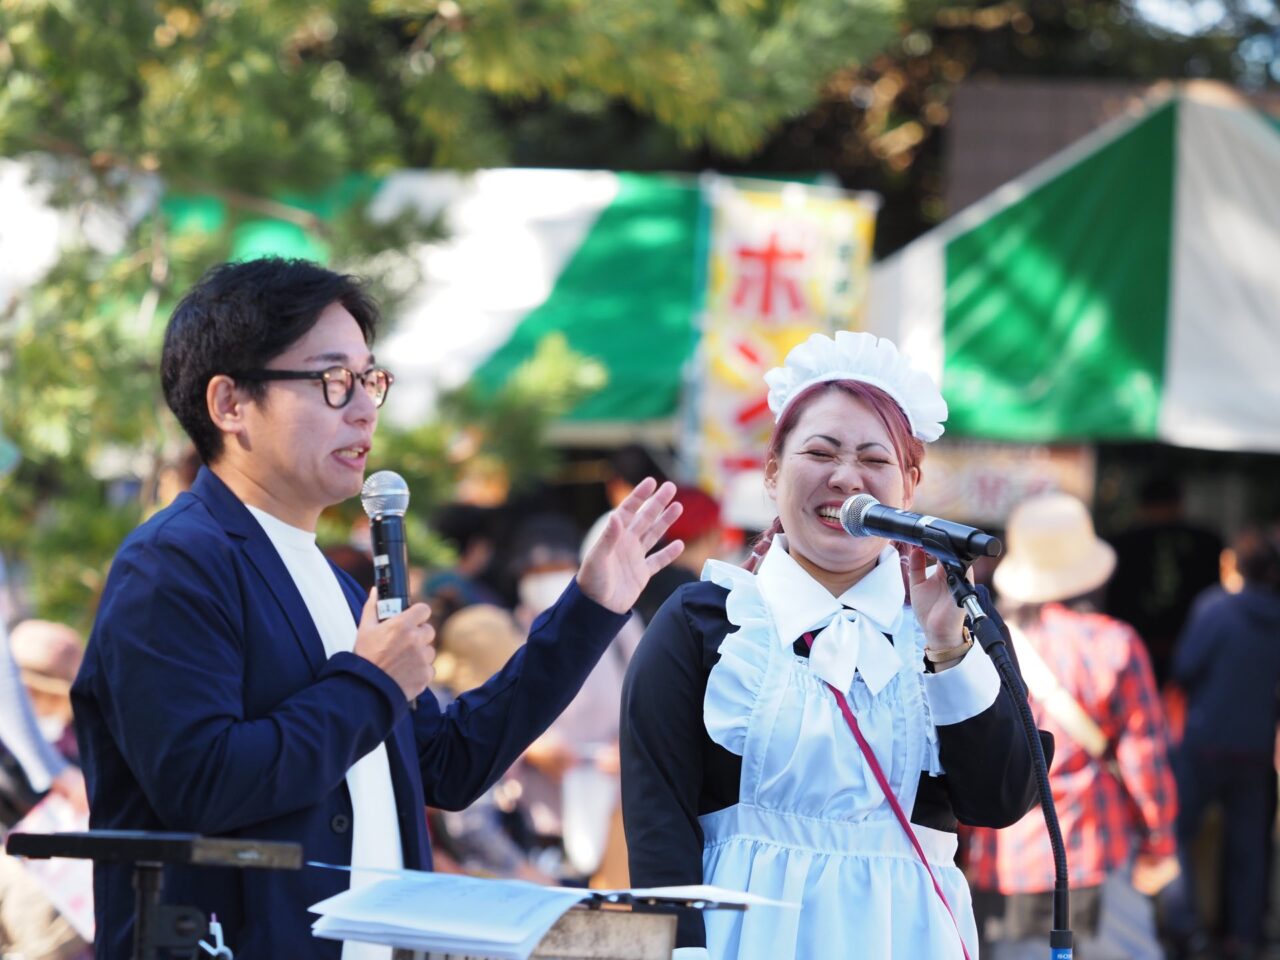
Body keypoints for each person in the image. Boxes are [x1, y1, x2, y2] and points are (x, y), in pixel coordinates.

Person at [71, 257, 684, 960]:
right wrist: (372, 682)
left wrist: (589, 607)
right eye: (331, 381)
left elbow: (447, 765)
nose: (363, 406)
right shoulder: (174, 564)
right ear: (229, 404)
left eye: (369, 379)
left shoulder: (329, 580)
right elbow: (203, 783)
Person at [621, 331, 1046, 960]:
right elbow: (658, 816)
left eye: (875, 461)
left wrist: (947, 651)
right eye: (820, 452)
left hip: (908, 935)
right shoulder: (707, 620)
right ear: (772, 472)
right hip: (744, 935)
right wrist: (681, 952)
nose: (846, 478)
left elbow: (1001, 800)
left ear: (910, 483)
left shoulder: (954, 619)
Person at [965, 492, 1178, 960]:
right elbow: (1146, 762)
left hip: (1007, 865)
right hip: (1094, 855)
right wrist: (1159, 844)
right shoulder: (1114, 645)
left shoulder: (982, 646)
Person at [1163, 525, 1280, 960]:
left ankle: (1186, 926)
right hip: (1255, 747)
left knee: (1177, 833)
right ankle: (1244, 936)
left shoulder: (1215, 608)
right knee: (1249, 847)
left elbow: (1186, 666)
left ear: (1236, 566)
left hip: (1204, 741)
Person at [1104, 477, 1223, 688]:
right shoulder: (1206, 541)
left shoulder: (1120, 544)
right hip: (1189, 646)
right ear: (1179, 503)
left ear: (1141, 506)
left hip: (1130, 647)